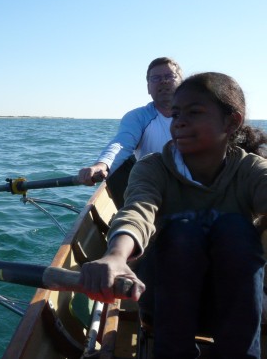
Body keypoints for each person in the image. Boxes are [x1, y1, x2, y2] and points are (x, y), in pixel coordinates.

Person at [79, 72, 267, 358]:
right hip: (164, 304)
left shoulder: (251, 169)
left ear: (232, 122)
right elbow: (138, 210)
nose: (178, 122)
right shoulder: (153, 167)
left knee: (235, 229)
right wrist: (116, 256)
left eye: (194, 112)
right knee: (183, 230)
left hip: (237, 308)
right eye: (176, 113)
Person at [78, 57, 183, 207]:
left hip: (193, 186)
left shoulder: (199, 114)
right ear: (148, 88)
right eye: (156, 78)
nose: (163, 81)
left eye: (169, 76)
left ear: (183, 83)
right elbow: (121, 144)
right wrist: (101, 165)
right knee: (119, 166)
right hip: (153, 190)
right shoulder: (138, 117)